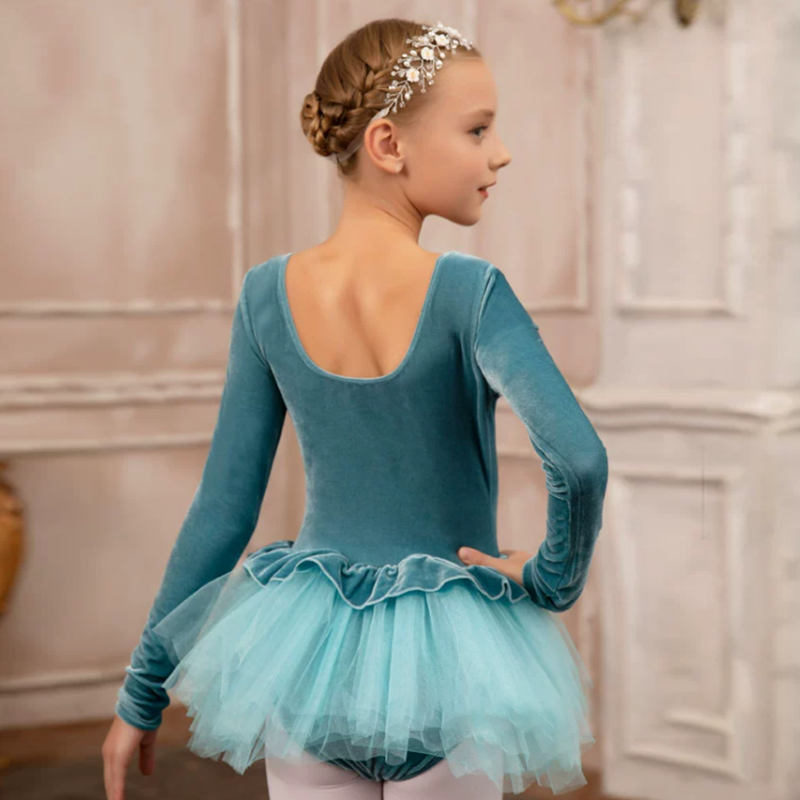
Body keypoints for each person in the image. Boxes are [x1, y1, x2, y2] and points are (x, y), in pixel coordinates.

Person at [102, 16, 609, 800]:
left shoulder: (266, 295)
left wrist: (141, 694)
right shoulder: (470, 293)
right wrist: (552, 579)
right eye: (478, 130)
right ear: (387, 144)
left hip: (311, 664)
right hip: (453, 670)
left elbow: (223, 510)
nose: (501, 153)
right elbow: (578, 460)